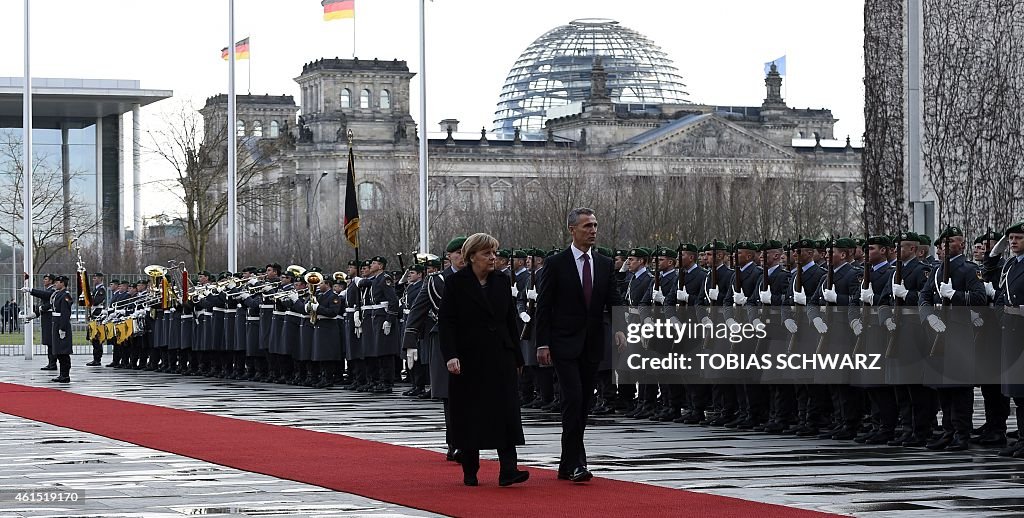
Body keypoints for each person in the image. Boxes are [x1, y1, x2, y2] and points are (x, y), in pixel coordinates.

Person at [536, 208, 625, 483]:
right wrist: (542, 344)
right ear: (572, 230)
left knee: (584, 401)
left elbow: (614, 298)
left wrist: (621, 327)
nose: (593, 230)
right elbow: (544, 306)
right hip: (563, 342)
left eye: (595, 225)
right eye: (587, 226)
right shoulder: (556, 263)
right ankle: (577, 461)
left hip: (591, 342)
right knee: (572, 398)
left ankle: (568, 463)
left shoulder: (604, 263)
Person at [438, 232, 529, 487]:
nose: (493, 258)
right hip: (469, 358)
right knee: (470, 413)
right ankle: (470, 470)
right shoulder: (457, 284)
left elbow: (510, 320)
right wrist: (451, 355)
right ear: (472, 256)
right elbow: (448, 322)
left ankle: (509, 469)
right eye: (487, 253)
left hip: (500, 355)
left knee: (506, 411)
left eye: (494, 252)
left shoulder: (501, 281)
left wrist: (518, 357)